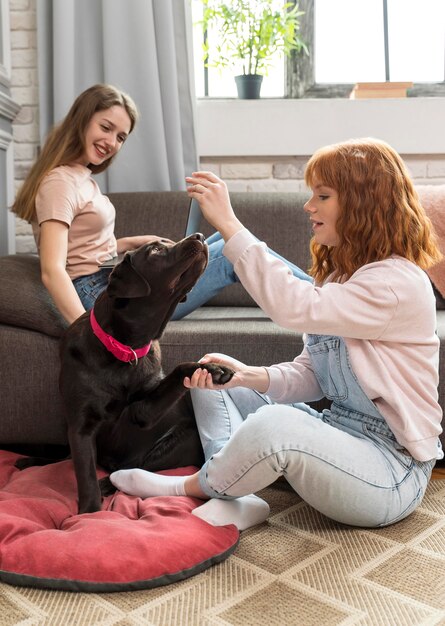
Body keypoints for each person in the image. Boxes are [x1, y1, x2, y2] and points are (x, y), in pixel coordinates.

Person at [110, 138, 443, 531]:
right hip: (339, 433)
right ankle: (237, 495)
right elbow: (311, 374)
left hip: (389, 473)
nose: (309, 206)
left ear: (361, 203)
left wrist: (231, 225)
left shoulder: (395, 283)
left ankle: (193, 487)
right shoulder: (341, 276)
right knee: (208, 378)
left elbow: (293, 306)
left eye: (323, 195)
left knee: (277, 425)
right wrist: (245, 375)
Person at [11, 83, 309, 326]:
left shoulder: (80, 177)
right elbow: (53, 270)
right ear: (82, 119)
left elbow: (81, 247)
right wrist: (86, 333)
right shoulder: (60, 183)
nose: (111, 142)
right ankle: (318, 301)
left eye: (120, 137)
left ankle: (318, 295)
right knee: (234, 251)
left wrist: (133, 242)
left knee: (224, 241)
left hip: (107, 282)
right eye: (105, 127)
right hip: (102, 297)